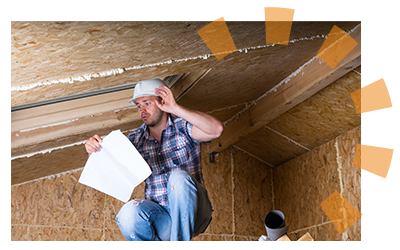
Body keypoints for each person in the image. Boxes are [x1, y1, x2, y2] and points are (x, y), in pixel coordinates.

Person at [84, 78, 224, 241]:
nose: (142, 110)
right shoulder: (135, 139)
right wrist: (93, 151)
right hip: (163, 219)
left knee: (178, 177)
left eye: (147, 103)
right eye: (138, 106)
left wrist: (176, 108)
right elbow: (107, 170)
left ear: (162, 102)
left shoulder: (183, 127)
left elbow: (216, 130)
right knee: (128, 213)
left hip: (194, 213)